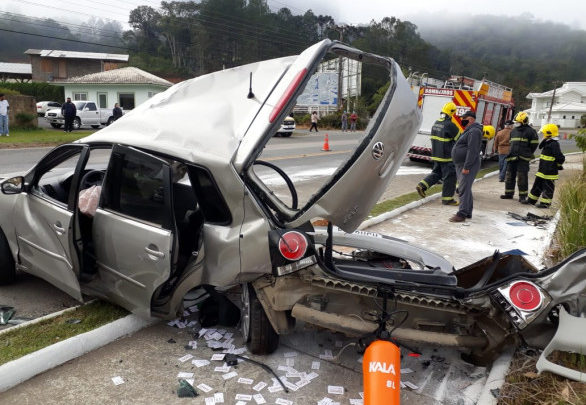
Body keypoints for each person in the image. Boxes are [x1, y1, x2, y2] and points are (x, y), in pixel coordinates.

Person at [416, 102, 460, 205]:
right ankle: (447, 199)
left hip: (436, 155)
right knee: (450, 177)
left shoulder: (436, 123)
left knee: (437, 173)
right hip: (447, 157)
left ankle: (422, 185)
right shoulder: (450, 125)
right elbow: (459, 140)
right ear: (452, 112)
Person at [449, 110, 482, 222]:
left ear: (471, 119)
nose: (462, 120)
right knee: (466, 188)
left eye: (465, 118)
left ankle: (461, 214)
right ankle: (467, 212)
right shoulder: (469, 130)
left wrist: (467, 167)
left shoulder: (474, 131)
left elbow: (472, 150)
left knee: (463, 188)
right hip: (462, 164)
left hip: (468, 165)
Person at [522, 123, 565, 208]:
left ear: (549, 133)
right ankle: (531, 200)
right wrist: (544, 140)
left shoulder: (554, 144)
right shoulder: (548, 142)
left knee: (548, 188)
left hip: (549, 172)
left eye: (544, 133)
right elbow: (540, 147)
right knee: (537, 186)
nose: (543, 135)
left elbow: (560, 157)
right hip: (542, 170)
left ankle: (545, 204)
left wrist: (558, 165)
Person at [500, 112, 539, 202]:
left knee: (522, 177)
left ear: (524, 121)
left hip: (523, 158)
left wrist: (527, 153)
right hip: (512, 157)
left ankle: (522, 196)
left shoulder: (531, 132)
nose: (516, 123)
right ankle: (508, 193)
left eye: (518, 122)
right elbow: (511, 144)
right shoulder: (513, 131)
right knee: (509, 176)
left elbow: (534, 145)